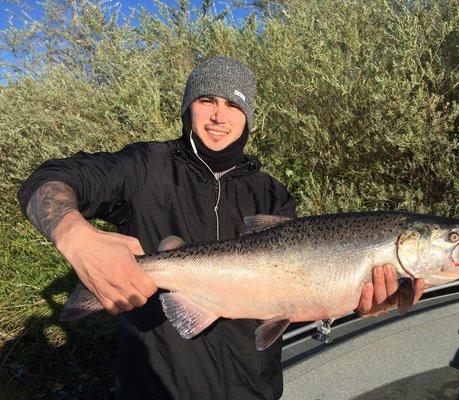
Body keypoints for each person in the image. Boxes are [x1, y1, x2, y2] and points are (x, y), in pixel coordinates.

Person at [18, 56, 424, 400]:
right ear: (187, 108)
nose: (219, 115)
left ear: (247, 116)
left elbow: (294, 290)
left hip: (255, 390)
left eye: (233, 104)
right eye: (206, 100)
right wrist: (76, 236)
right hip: (159, 389)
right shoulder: (144, 168)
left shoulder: (271, 194)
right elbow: (48, 179)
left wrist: (354, 298)